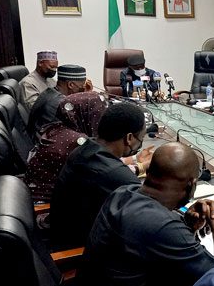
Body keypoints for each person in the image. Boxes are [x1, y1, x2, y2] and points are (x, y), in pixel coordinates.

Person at [71, 142, 214, 286]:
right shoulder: (162, 226)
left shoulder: (124, 192)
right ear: (191, 184)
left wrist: (187, 225)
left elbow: (149, 243)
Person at [50, 103, 147, 250]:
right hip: (78, 251)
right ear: (129, 138)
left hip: (62, 232)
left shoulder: (85, 149)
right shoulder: (121, 179)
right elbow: (146, 223)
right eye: (141, 138)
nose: (140, 143)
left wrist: (139, 165)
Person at [24, 92, 107, 203]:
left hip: (30, 197)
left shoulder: (58, 128)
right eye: (98, 115)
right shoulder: (78, 142)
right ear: (85, 114)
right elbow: (106, 174)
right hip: (45, 208)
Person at [27, 64, 92, 142]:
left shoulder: (51, 92)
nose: (83, 89)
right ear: (71, 85)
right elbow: (80, 129)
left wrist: (85, 94)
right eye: (82, 86)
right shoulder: (60, 104)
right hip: (45, 146)